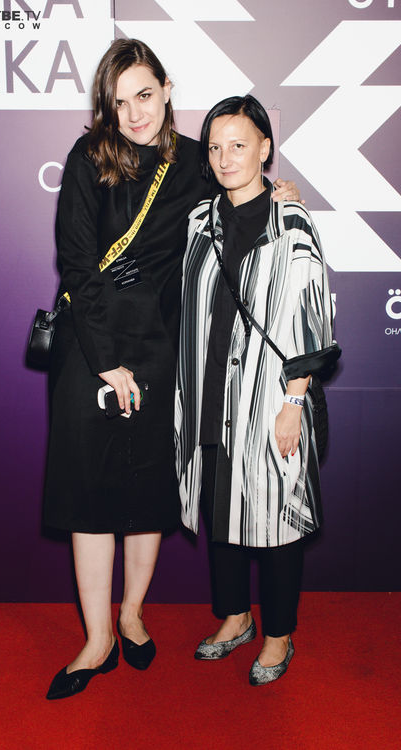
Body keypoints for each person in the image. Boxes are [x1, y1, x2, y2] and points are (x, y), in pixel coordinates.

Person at [43, 40, 299, 700]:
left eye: (145, 95)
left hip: (161, 351)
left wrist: (282, 197)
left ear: (166, 89)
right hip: (90, 351)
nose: (134, 113)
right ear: (105, 107)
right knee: (90, 500)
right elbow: (76, 265)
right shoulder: (87, 158)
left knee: (146, 495)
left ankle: (132, 615)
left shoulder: (195, 162)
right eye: (119, 101)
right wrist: (106, 362)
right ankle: (97, 637)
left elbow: (243, 199)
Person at [175, 95, 337, 685]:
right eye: (215, 148)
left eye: (238, 145)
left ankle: (278, 635)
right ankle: (235, 617)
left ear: (265, 148)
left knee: (274, 524)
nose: (225, 158)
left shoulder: (291, 221)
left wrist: (294, 401)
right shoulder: (200, 220)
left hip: (268, 400)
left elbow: (311, 319)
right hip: (209, 397)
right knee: (222, 516)